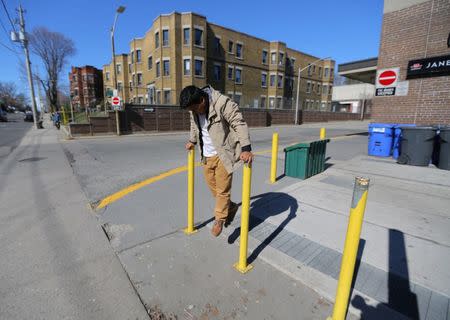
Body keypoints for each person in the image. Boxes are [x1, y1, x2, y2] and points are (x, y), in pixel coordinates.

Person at [180, 85, 254, 237]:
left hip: (223, 154)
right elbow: (194, 125)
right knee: (214, 189)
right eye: (190, 110)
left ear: (202, 100)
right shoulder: (194, 109)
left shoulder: (222, 103)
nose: (193, 112)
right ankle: (231, 207)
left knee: (222, 190)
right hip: (206, 155)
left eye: (194, 108)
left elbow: (238, 122)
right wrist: (192, 141)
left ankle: (219, 219)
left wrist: (246, 148)